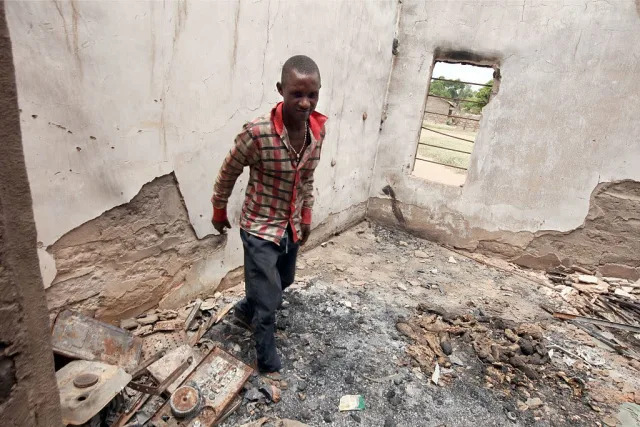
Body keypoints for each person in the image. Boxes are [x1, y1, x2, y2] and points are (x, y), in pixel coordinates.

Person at [211, 55, 327, 378]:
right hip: (260, 227)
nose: (305, 103)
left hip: (288, 225)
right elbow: (228, 170)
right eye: (296, 94)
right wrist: (219, 210)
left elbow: (307, 179)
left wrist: (305, 216)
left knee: (284, 279)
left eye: (312, 95)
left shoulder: (316, 134)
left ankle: (246, 308)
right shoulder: (258, 133)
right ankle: (265, 360)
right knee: (269, 301)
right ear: (281, 90)